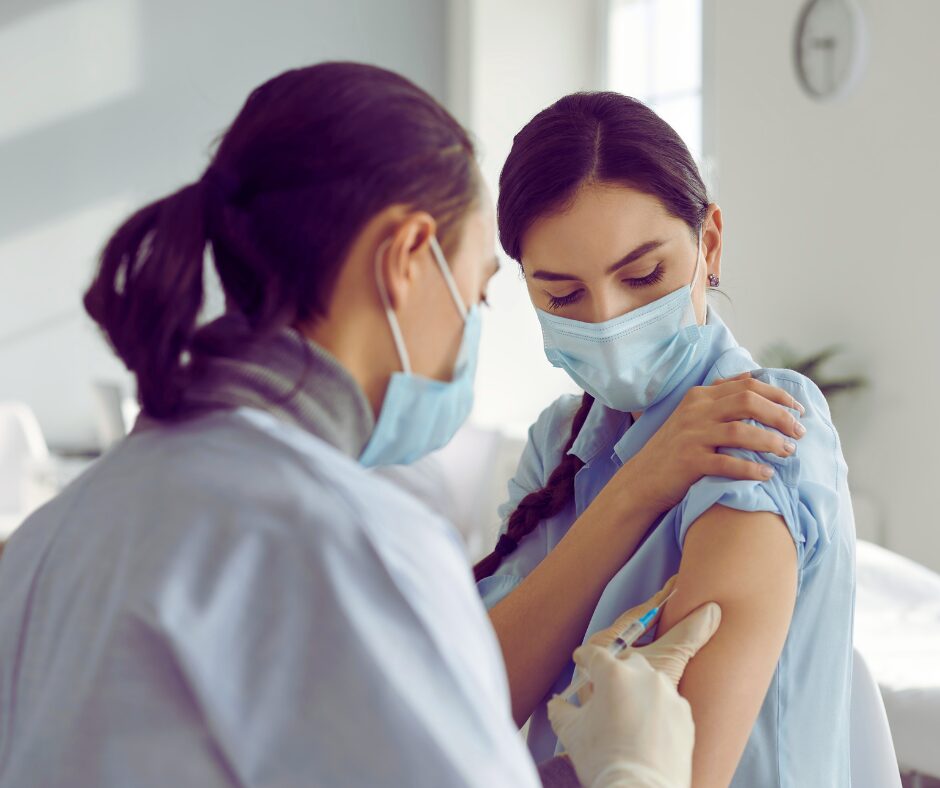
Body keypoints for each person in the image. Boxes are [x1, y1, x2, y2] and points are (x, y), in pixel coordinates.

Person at [0, 64, 799, 788]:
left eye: (643, 274)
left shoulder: (49, 536)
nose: (608, 321)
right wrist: (628, 769)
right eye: (485, 290)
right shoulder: (346, 539)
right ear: (407, 259)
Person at [475, 91, 856, 787]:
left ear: (709, 243)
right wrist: (639, 486)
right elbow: (471, 705)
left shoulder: (761, 417)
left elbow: (682, 772)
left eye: (643, 275)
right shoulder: (559, 441)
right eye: (563, 297)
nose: (609, 320)